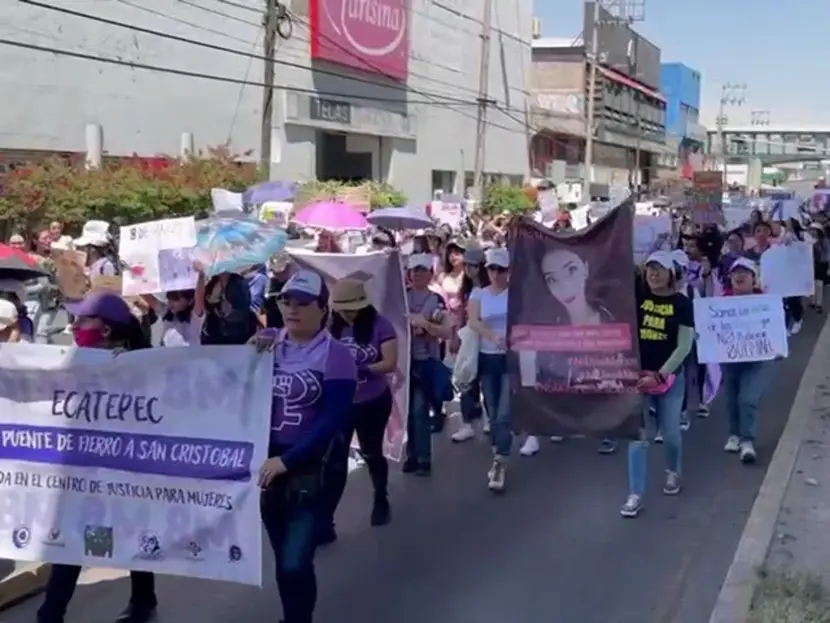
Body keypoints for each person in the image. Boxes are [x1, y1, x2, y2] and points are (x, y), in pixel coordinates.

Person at [37, 291, 157, 623]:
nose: (74, 326)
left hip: (126, 469)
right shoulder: (74, 360)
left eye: (83, 319)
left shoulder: (141, 367)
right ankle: (51, 612)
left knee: (128, 532)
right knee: (78, 534)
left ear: (105, 329)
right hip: (84, 470)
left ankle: (143, 599)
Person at [251, 270, 357, 623]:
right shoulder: (266, 340)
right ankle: (292, 616)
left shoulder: (337, 355)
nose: (292, 309)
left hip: (310, 471)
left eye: (303, 303)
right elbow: (238, 389)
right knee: (283, 560)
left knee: (296, 561)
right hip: (268, 470)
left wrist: (289, 460)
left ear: (323, 309)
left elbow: (332, 420)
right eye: (286, 301)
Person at [321, 279, 398, 542]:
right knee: (336, 459)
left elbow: (389, 363)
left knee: (371, 451)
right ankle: (326, 519)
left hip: (373, 399)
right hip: (343, 403)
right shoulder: (332, 328)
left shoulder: (381, 326)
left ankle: (380, 496)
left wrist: (360, 369)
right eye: (342, 309)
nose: (346, 314)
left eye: (351, 309)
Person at [621, 251, 694, 518]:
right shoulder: (636, 298)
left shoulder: (682, 304)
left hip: (670, 379)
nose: (653, 274)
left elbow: (684, 345)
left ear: (671, 274)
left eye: (659, 269)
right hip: (639, 378)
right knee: (639, 436)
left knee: (671, 432)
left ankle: (673, 471)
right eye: (650, 268)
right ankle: (635, 493)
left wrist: (661, 375)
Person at [466, 247, 512, 491]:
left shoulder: (515, 294)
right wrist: (492, 335)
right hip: (486, 357)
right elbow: (473, 321)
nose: (496, 273)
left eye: (501, 269)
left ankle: (500, 460)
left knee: (504, 412)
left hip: (509, 359)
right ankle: (499, 450)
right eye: (492, 268)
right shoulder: (478, 294)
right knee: (493, 411)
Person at [404, 253, 452, 476]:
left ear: (430, 273)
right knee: (407, 414)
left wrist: (425, 326)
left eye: (422, 270)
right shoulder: (401, 297)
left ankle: (423, 458)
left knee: (419, 411)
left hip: (426, 362)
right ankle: (412, 455)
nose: (418, 274)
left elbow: (445, 330)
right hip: (404, 362)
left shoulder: (437, 300)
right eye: (414, 270)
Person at [720, 257, 769, 463]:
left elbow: (777, 330)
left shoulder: (765, 303)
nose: (739, 277)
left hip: (757, 360)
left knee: (747, 398)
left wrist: (778, 347)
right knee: (731, 397)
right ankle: (734, 434)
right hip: (729, 358)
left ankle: (747, 440)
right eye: (735, 273)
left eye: (745, 273)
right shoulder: (720, 303)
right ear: (730, 278)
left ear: (753, 278)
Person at [451, 246, 491, 443]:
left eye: (473, 265)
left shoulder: (488, 287)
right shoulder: (466, 288)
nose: (469, 269)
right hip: (468, 336)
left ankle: (488, 418)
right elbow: (460, 314)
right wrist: (455, 336)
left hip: (485, 337)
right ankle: (467, 423)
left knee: (486, 380)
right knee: (466, 379)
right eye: (466, 265)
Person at [540, 248, 613, 325]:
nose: (565, 286)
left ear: (585, 269)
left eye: (571, 270)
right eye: (552, 279)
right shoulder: (547, 326)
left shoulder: (614, 317)